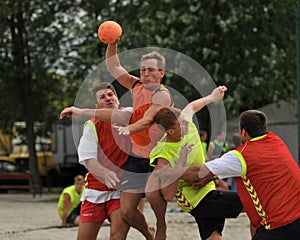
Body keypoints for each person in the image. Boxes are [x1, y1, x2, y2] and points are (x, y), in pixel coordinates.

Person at [60, 45, 173, 239]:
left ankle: (159, 227)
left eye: (151, 70)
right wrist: (112, 42)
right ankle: (151, 230)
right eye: (143, 69)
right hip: (129, 165)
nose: (145, 73)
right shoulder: (134, 89)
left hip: (157, 155)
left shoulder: (161, 95)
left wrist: (130, 128)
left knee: (155, 197)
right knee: (128, 210)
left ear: (161, 73)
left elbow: (145, 119)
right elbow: (114, 67)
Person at [182, 110, 300, 240]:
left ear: (243, 132)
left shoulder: (241, 155)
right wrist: (212, 175)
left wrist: (165, 172)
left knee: (254, 212)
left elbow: (196, 173)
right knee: (254, 213)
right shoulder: (276, 141)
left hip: (279, 226)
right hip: (296, 215)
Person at [145, 86, 243, 240]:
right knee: (250, 201)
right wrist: (181, 162)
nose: (186, 126)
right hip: (195, 199)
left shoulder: (186, 122)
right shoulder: (162, 153)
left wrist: (212, 97)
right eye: (181, 125)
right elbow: (168, 195)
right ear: (169, 131)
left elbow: (191, 106)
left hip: (209, 187)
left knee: (214, 238)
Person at [75, 83, 131, 240]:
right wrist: (104, 173)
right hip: (95, 190)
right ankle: (149, 232)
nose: (108, 98)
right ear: (97, 105)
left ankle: (149, 232)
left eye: (110, 94)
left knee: (118, 237)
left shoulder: (129, 114)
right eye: (102, 97)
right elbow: (88, 158)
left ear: (117, 99)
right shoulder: (92, 125)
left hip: (121, 190)